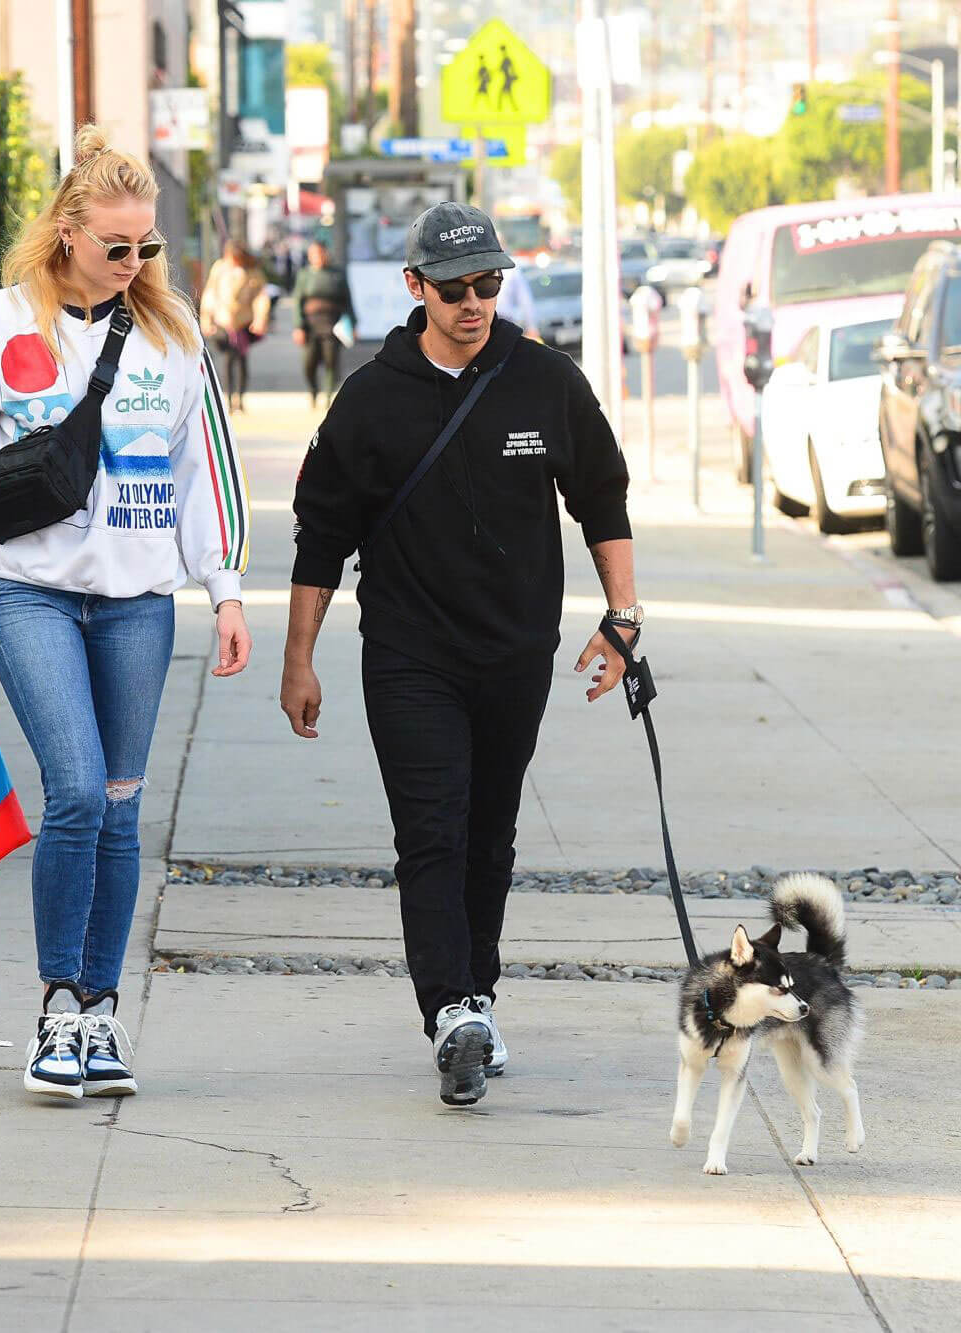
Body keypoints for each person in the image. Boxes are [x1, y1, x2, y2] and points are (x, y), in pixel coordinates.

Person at [0, 125, 252, 1102]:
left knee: (119, 805)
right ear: (66, 232)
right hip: (31, 594)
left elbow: (202, 475)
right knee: (73, 789)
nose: (135, 262)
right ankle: (58, 1006)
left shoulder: (172, 333)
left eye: (146, 246)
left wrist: (224, 588)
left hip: (140, 605)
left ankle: (103, 1016)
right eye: (117, 245)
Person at [280, 202, 638, 1108]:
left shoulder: (545, 380)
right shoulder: (370, 396)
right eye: (455, 288)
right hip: (408, 655)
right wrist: (300, 658)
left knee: (490, 835)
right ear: (415, 288)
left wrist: (623, 616)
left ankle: (476, 994)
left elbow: (602, 496)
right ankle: (449, 1012)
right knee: (431, 831)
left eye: (488, 283)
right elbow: (321, 534)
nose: (474, 302)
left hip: (515, 653)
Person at [199, 240, 271, 413]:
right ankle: (229, 398)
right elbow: (210, 293)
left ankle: (240, 397)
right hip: (223, 321)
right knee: (228, 360)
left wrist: (260, 318)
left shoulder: (252, 272)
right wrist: (206, 319)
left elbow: (261, 297)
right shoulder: (219, 268)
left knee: (241, 359)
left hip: (243, 322)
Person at [292, 241, 356, 409]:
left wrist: (353, 325)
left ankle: (328, 396)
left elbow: (348, 301)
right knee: (309, 363)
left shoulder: (337, 274)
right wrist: (298, 326)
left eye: (320, 254)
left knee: (331, 361)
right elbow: (298, 300)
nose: (318, 258)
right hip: (310, 325)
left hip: (332, 324)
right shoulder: (305, 275)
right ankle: (313, 390)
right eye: (314, 254)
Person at [495, 262, 541, 341]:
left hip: (505, 321)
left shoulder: (511, 269)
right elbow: (525, 298)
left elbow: (524, 299)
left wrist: (531, 326)